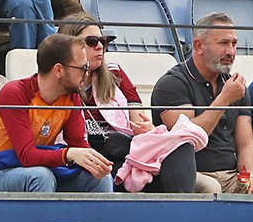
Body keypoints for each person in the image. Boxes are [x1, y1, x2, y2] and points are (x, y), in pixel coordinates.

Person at [0, 33, 115, 192]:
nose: (87, 74)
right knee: (41, 176)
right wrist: (68, 154)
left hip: (36, 169)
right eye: (83, 68)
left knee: (99, 178)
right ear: (59, 70)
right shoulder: (14, 94)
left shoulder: (71, 97)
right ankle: (45, 218)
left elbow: (79, 145)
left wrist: (95, 162)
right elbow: (26, 156)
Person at [60, 18, 193, 192]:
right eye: (91, 42)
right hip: (88, 159)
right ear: (70, 46)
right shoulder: (58, 83)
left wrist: (146, 129)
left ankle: (183, 213)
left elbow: (138, 124)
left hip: (125, 153)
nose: (100, 47)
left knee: (180, 146)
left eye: (103, 41)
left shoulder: (115, 73)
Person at [152, 12, 253, 194]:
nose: (230, 52)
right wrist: (224, 99)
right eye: (223, 43)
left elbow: (246, 143)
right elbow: (186, 136)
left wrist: (251, 176)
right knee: (211, 188)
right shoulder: (172, 84)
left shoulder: (235, 87)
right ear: (199, 46)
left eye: (234, 44)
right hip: (192, 173)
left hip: (231, 175)